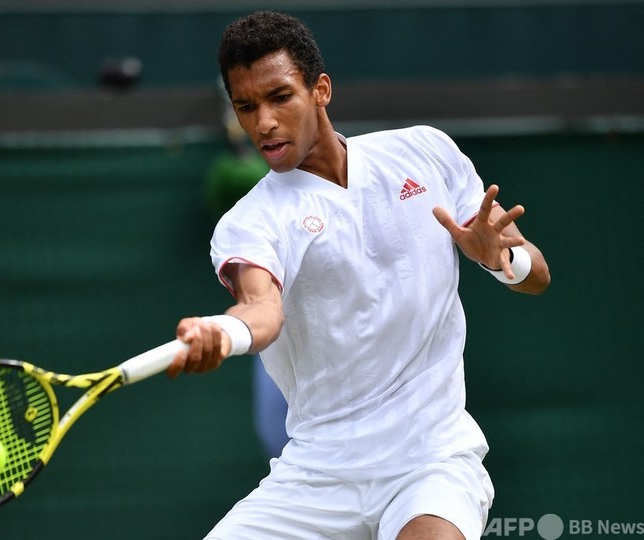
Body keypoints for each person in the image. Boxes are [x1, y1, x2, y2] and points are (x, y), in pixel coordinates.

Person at [168, 11, 550, 540]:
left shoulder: (425, 152)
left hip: (431, 460)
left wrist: (500, 260)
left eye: (280, 97)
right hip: (316, 475)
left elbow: (537, 275)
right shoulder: (249, 221)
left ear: (321, 90)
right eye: (246, 106)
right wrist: (225, 333)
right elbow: (262, 311)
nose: (264, 123)